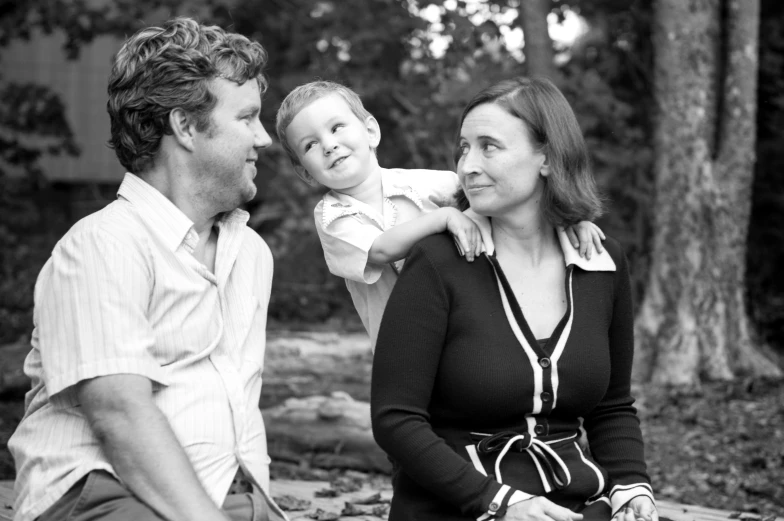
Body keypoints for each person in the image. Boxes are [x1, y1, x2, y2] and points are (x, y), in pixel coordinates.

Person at [9, 17, 286, 521]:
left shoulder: (250, 253)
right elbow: (119, 414)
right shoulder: (104, 244)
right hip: (99, 495)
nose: (263, 138)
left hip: (220, 497)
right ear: (184, 126)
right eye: (246, 118)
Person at [370, 76, 658, 521]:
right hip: (459, 506)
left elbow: (612, 406)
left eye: (489, 146)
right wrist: (500, 503)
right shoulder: (437, 262)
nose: (467, 166)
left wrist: (630, 487)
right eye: (464, 148)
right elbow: (396, 421)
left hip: (574, 503)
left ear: (546, 156)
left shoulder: (601, 264)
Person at [275, 80, 605, 349]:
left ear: (371, 131)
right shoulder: (332, 216)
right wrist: (441, 219)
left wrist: (568, 221)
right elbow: (380, 249)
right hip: (405, 350)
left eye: (336, 128)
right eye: (309, 145)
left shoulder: (430, 183)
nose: (328, 145)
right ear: (304, 173)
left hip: (469, 331)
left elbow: (506, 214)